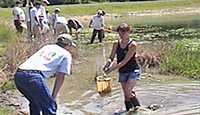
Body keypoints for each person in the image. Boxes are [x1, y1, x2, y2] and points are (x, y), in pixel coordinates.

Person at [14, 34, 76, 115]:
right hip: (33, 76)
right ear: (68, 45)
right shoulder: (66, 54)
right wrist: (53, 98)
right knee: (50, 107)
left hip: (18, 75)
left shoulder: (47, 47)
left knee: (35, 103)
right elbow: (60, 78)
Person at [103, 23, 141, 112]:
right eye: (120, 33)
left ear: (129, 32)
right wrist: (107, 64)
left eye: (123, 33)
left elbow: (124, 62)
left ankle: (138, 107)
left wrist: (110, 70)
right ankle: (129, 111)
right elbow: (111, 57)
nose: (121, 35)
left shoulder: (132, 45)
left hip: (133, 70)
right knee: (126, 95)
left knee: (128, 90)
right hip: (123, 71)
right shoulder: (116, 43)